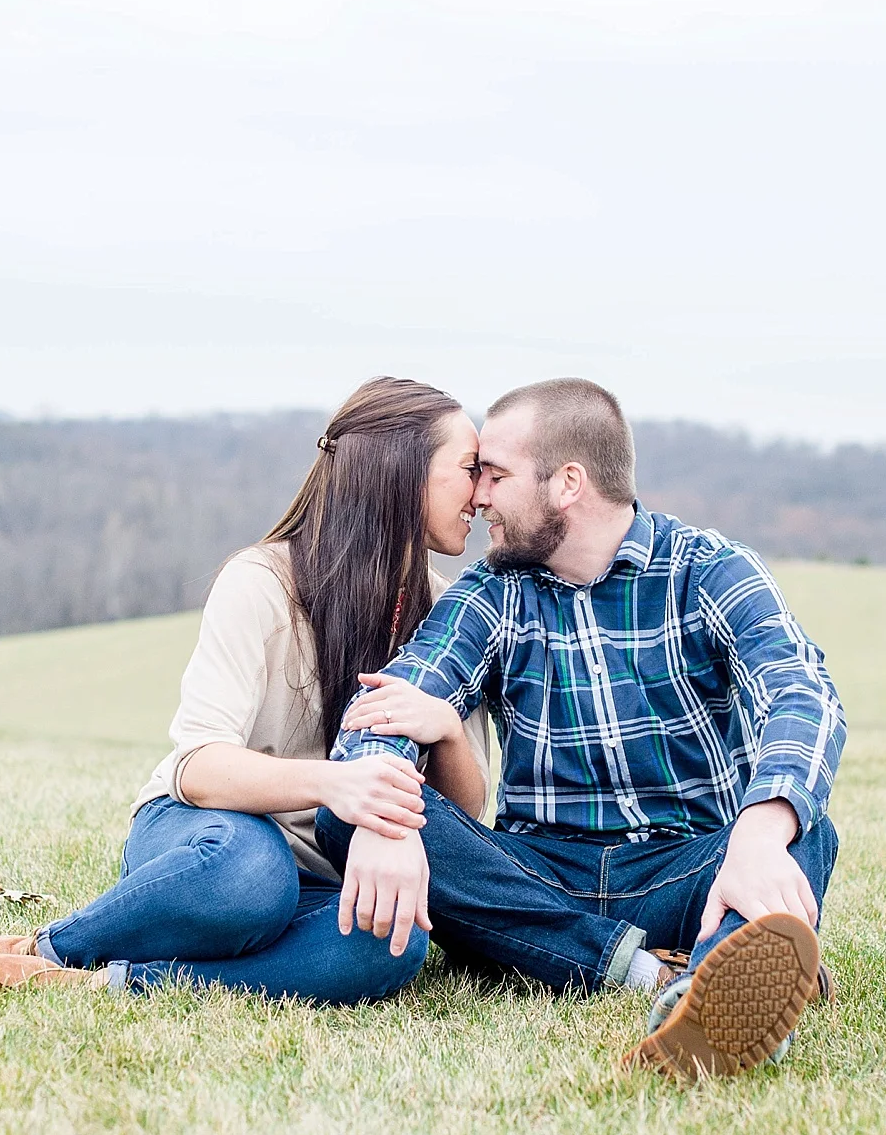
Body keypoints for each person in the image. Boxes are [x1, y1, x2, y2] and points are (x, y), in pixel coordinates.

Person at [0, 376, 495, 1003]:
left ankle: (101, 985)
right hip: (212, 836)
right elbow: (198, 767)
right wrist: (333, 783)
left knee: (391, 944)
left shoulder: (445, 613)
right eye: (469, 468)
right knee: (253, 880)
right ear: (401, 474)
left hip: (326, 874)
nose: (481, 494)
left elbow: (467, 811)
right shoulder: (261, 583)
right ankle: (48, 948)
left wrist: (447, 728)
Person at [315, 377, 845, 1078]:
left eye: (495, 476)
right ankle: (648, 975)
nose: (477, 498)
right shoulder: (492, 593)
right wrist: (383, 821)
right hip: (535, 877)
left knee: (803, 828)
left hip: (684, 869)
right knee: (346, 814)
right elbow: (379, 717)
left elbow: (802, 691)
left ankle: (720, 990)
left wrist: (760, 830)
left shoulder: (709, 571)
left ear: (567, 483)